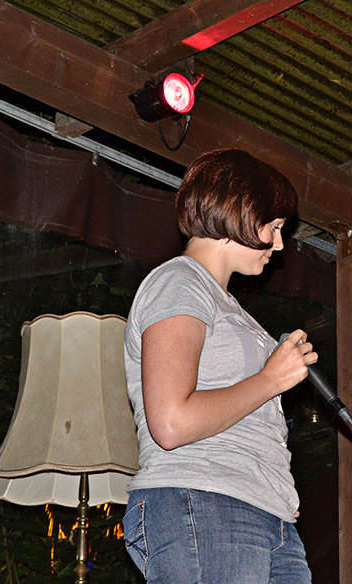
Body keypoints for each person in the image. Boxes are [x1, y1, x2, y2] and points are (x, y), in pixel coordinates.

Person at [121, 149, 316, 584]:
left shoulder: (228, 307)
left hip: (268, 513)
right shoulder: (180, 282)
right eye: (274, 227)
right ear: (239, 212)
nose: (279, 244)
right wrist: (270, 379)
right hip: (204, 498)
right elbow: (171, 422)